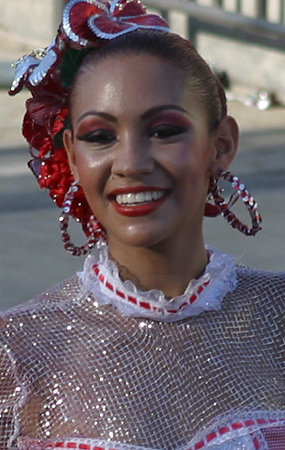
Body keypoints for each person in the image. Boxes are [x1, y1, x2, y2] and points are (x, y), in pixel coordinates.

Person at [1, 0, 284, 449]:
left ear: (222, 144)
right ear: (73, 157)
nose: (131, 163)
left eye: (164, 131)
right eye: (100, 137)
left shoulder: (279, 318)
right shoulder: (18, 354)